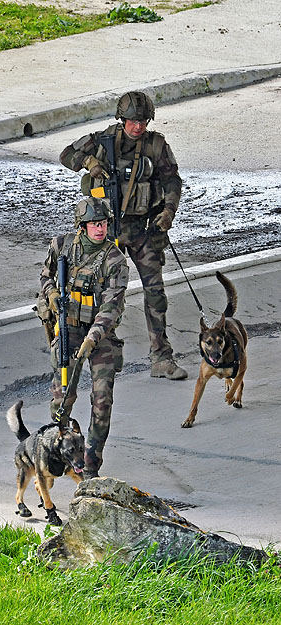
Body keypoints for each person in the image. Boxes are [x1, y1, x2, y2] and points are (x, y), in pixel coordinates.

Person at [59, 91, 187, 380]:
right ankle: (109, 355)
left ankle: (161, 358)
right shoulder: (104, 140)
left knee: (155, 293)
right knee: (105, 295)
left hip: (143, 229)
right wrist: (89, 162)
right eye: (132, 121)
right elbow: (66, 154)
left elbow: (172, 179)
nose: (137, 127)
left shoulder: (156, 145)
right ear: (122, 119)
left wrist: (168, 212)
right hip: (109, 231)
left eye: (142, 121)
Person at [40, 197, 128, 479]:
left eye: (103, 224)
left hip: (99, 335)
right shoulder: (62, 245)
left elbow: (112, 305)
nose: (100, 229)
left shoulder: (114, 260)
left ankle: (90, 465)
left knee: (102, 401)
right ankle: (57, 455)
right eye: (94, 224)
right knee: (62, 398)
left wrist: (94, 336)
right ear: (82, 226)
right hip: (68, 328)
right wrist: (52, 294)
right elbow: (45, 276)